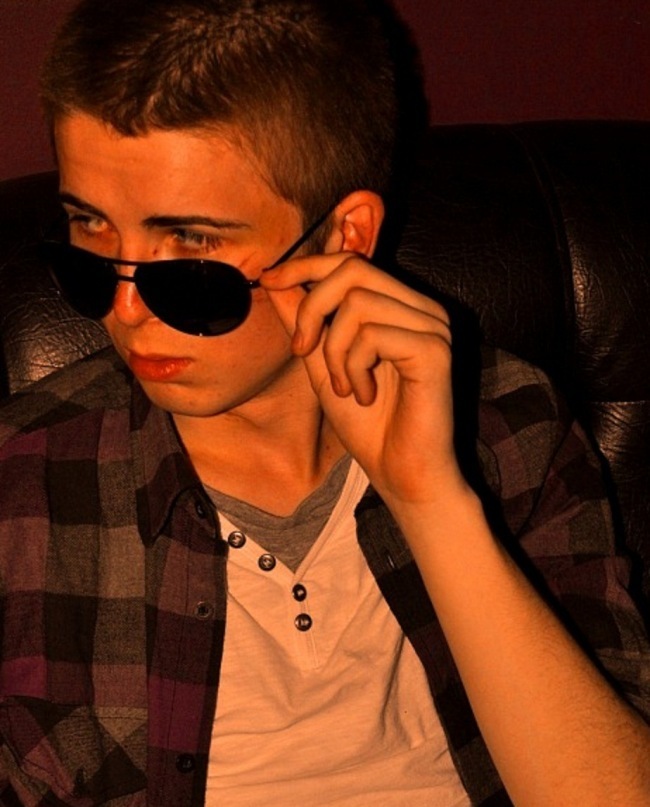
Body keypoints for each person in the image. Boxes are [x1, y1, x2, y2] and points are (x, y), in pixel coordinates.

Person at [0, 0, 649, 804]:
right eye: (89, 237)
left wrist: (432, 501)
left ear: (344, 237)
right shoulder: (23, 485)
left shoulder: (510, 428)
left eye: (191, 256)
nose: (125, 311)